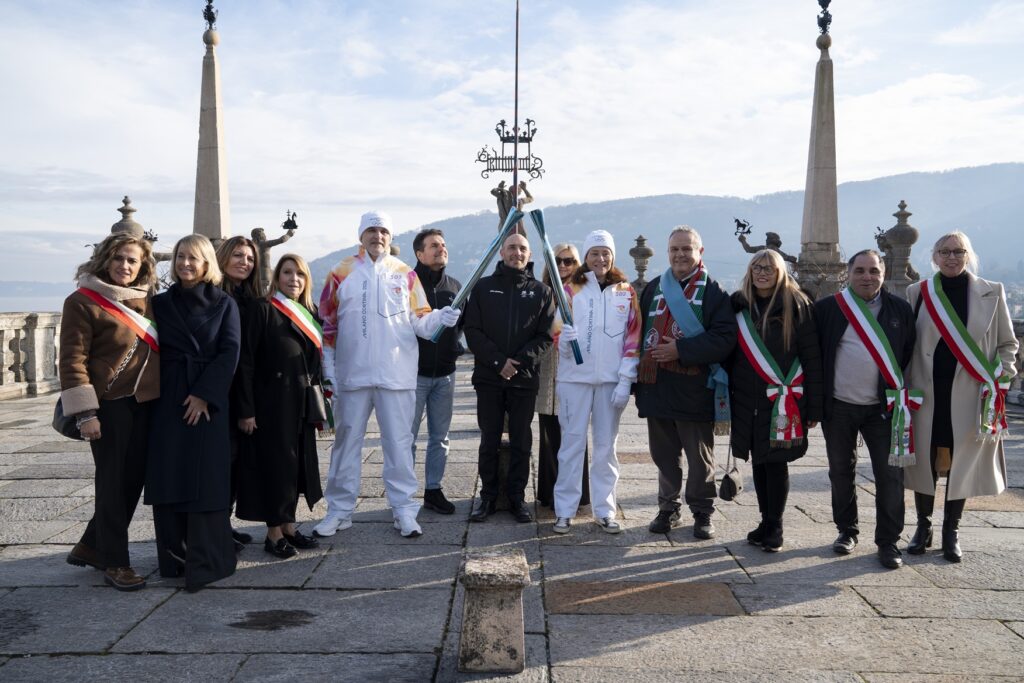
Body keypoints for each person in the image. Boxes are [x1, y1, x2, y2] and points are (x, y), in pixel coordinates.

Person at [314, 211, 460, 539]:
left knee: (398, 444)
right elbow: (328, 326)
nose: (377, 236)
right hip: (353, 376)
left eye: (382, 231)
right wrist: (330, 371)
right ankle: (339, 510)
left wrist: (440, 319)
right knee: (346, 444)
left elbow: (420, 323)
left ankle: (404, 511)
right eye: (371, 230)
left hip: (397, 375)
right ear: (361, 235)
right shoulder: (341, 273)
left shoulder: (405, 274)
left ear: (390, 237)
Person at [905, 232, 1018, 563]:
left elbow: (1008, 344)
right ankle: (922, 527)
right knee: (924, 459)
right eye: (944, 251)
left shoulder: (992, 292)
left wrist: (1001, 375)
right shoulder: (918, 292)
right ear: (935, 257)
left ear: (968, 256)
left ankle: (950, 531)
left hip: (971, 393)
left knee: (962, 460)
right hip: (926, 393)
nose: (951, 257)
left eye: (958, 251)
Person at [59, 233, 159, 591]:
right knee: (113, 484)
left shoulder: (148, 302)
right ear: (105, 260)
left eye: (133, 260)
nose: (125, 266)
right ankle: (115, 562)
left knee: (132, 482)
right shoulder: (82, 301)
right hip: (108, 407)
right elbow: (72, 362)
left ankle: (90, 544)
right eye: (119, 259)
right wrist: (86, 414)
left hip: (147, 405)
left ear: (143, 265)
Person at [145, 234, 240, 592]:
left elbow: (229, 352)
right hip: (168, 396)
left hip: (208, 400)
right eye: (180, 257)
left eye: (193, 258)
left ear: (206, 264)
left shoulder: (225, 303)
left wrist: (203, 395)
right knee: (170, 471)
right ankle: (174, 557)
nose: (185, 263)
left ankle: (206, 561)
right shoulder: (160, 303)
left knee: (206, 478)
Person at [815, 250, 916, 569]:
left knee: (890, 475)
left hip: (883, 410)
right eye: (860, 270)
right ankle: (847, 531)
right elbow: (814, 354)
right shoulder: (828, 309)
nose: (867, 276)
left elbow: (908, 353)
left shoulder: (900, 309)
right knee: (840, 471)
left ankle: (888, 542)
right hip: (839, 406)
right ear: (848, 273)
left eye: (873, 270)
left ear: (883, 274)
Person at [634, 226, 736, 539]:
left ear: (699, 252)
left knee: (699, 457)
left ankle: (702, 512)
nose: (680, 255)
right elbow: (637, 335)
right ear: (668, 253)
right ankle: (668, 507)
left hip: (695, 388)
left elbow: (724, 339)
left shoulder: (714, 291)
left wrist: (679, 349)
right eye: (675, 249)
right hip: (657, 386)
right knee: (664, 456)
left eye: (687, 249)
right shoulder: (653, 288)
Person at [728, 249, 823, 552]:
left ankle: (776, 525)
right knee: (759, 461)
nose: (763, 273)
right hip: (747, 399)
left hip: (784, 399)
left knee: (776, 461)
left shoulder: (797, 305)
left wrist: (814, 405)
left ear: (780, 271)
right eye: (757, 267)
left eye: (769, 267)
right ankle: (765, 520)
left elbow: (812, 357)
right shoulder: (739, 305)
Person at [235, 254, 324, 558]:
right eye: (287, 273)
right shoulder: (263, 309)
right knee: (276, 468)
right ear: (277, 277)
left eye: (300, 274)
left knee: (297, 467)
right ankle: (273, 534)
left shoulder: (308, 312)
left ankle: (289, 526)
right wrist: (246, 409)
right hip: (270, 404)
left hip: (300, 404)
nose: (294, 279)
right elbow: (245, 362)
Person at [551, 230, 641, 534]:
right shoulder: (570, 290)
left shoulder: (625, 292)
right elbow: (555, 331)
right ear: (586, 258)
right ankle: (565, 510)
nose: (600, 259)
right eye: (594, 253)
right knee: (571, 445)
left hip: (609, 383)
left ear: (612, 257)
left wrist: (625, 380)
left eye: (605, 253)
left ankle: (605, 510)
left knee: (606, 448)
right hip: (574, 379)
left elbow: (633, 338)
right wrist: (565, 340)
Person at [464, 232, 556, 523]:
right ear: (502, 253)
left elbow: (546, 336)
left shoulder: (542, 292)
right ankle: (488, 497)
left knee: (521, 440)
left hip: (523, 378)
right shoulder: (482, 288)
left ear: (530, 255)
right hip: (489, 378)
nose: (517, 253)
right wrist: (497, 362)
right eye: (512, 248)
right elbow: (473, 331)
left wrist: (517, 363)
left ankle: (517, 498)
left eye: (523, 249)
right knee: (488, 439)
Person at [411, 228, 462, 515]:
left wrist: (452, 350)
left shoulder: (454, 286)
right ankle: (405, 492)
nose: (440, 248)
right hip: (413, 373)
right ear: (420, 253)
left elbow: (461, 323)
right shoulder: (408, 283)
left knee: (440, 437)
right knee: (408, 437)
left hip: (445, 374)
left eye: (442, 244)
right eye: (433, 246)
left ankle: (433, 489)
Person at [215, 235, 261, 550]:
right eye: (238, 256)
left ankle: (223, 524)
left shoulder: (250, 297)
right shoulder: (216, 297)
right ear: (223, 258)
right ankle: (214, 529)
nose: (244, 262)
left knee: (235, 464)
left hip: (246, 390)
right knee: (222, 462)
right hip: (223, 394)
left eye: (249, 257)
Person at [536, 243, 590, 509]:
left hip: (575, 367)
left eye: (569, 261)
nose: (563, 266)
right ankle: (549, 492)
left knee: (575, 432)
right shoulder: (543, 292)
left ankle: (579, 493)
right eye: (558, 261)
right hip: (548, 368)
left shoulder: (585, 291)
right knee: (549, 431)